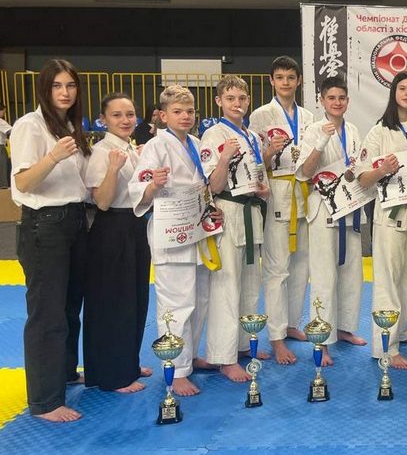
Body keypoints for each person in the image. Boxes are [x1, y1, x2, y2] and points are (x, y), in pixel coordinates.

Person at [11, 59, 91, 422]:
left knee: (70, 307)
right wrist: (53, 156)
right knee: (47, 313)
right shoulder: (29, 125)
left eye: (70, 85)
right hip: (44, 225)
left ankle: (65, 372)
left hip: (74, 219)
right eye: (57, 85)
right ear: (45, 89)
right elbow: (23, 182)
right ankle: (45, 401)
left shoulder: (71, 126)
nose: (65, 92)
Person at [130, 85, 215, 398]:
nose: (185, 116)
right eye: (177, 111)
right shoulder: (155, 146)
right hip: (170, 230)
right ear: (163, 116)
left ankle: (189, 357)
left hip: (197, 228)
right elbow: (138, 191)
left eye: (190, 111)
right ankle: (176, 370)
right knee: (177, 302)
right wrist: (153, 185)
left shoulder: (196, 143)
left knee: (199, 300)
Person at [356, 72, 407, 369]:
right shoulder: (379, 132)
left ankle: (402, 330)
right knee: (388, 282)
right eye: (402, 88)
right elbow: (362, 179)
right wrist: (382, 170)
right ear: (393, 93)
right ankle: (385, 348)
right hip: (390, 216)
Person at [201, 76, 269, 382]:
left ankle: (243, 344)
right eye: (230, 98)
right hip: (228, 211)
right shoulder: (213, 134)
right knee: (226, 286)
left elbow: (258, 177)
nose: (237, 103)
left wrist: (263, 190)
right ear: (219, 101)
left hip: (252, 212)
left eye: (242, 98)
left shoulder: (252, 136)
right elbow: (213, 186)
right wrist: (225, 157)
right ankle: (223, 357)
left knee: (250, 284)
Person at [248, 56, 315, 365]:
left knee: (301, 266)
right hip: (276, 193)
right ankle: (276, 337)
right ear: (271, 81)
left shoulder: (308, 116)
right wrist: (268, 152)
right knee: (277, 269)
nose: (286, 82)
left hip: (303, 193)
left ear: (298, 81)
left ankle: (290, 323)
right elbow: (251, 163)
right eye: (280, 77)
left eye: (291, 77)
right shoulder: (261, 116)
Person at [83, 93, 151, 394]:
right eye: (117, 115)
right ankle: (113, 376)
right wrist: (112, 169)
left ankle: (128, 363)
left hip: (135, 224)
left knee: (135, 298)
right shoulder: (102, 152)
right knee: (114, 302)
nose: (125, 120)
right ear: (103, 120)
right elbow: (102, 201)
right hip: (112, 227)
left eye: (130, 114)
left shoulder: (131, 148)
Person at [297, 75, 367, 365]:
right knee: (324, 276)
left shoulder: (352, 130)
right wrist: (321, 142)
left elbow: (357, 167)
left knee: (352, 273)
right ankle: (322, 339)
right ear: (322, 101)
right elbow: (304, 172)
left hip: (350, 205)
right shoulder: (314, 130)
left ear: (347, 101)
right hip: (324, 208)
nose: (337, 102)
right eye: (331, 98)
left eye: (341, 98)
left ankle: (344, 328)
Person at [0, 103, 12, 188]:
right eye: (3, 112)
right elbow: (11, 131)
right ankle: (3, 188)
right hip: (0, 147)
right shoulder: (0, 121)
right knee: (3, 168)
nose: (4, 114)